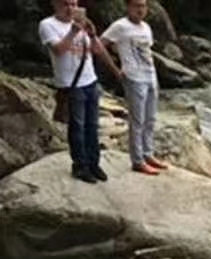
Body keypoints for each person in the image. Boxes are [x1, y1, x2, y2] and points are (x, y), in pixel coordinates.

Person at [40, 0, 123, 183]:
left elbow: (96, 50)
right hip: (71, 84)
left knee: (92, 126)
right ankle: (80, 166)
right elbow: (59, 50)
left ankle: (94, 164)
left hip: (90, 80)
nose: (70, 8)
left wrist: (92, 35)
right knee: (77, 126)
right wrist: (74, 31)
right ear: (55, 4)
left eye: (73, 3)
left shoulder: (82, 24)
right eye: (65, 4)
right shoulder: (47, 25)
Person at [102, 0, 168, 175]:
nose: (141, 9)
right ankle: (137, 161)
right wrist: (116, 68)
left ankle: (148, 154)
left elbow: (147, 52)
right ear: (128, 7)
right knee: (137, 120)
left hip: (150, 76)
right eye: (137, 6)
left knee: (150, 118)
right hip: (133, 78)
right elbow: (100, 45)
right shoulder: (120, 26)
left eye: (144, 6)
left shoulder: (146, 27)